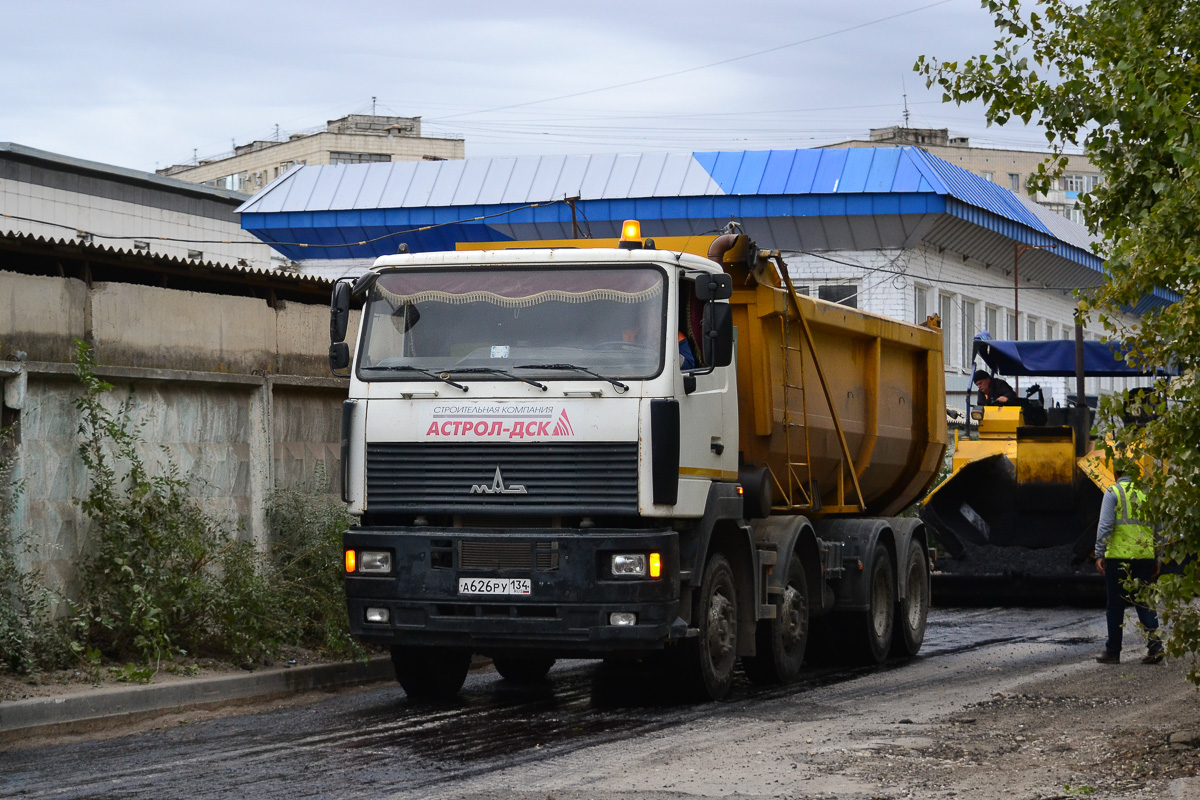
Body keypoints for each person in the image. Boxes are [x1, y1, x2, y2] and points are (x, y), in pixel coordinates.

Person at [1094, 465, 1163, 665]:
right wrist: (1159, 556)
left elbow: (1105, 525)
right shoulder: (1148, 494)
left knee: (1115, 605)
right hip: (1145, 556)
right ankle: (1155, 646)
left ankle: (1113, 652)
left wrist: (1099, 553)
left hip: (1119, 557)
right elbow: (1159, 529)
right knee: (1144, 601)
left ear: (1116, 473)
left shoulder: (1113, 492)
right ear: (1137, 473)